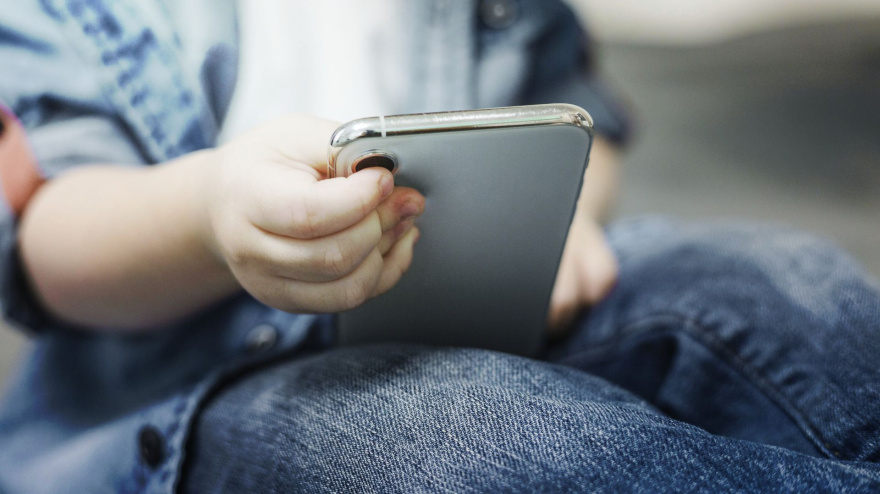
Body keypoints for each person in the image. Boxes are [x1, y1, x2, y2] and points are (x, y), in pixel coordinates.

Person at [0, 1, 878, 492]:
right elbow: (46, 246)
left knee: (780, 282)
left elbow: (580, 118)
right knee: (483, 432)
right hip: (182, 396)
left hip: (479, 304)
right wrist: (207, 215)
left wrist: (573, 216)